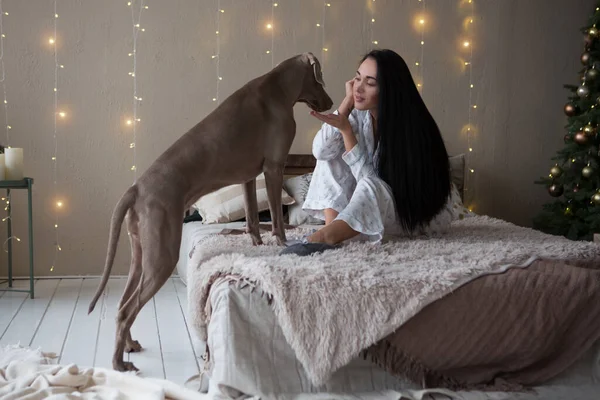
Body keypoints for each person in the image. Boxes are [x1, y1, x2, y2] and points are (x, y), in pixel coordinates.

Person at [281, 49, 453, 256]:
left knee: (370, 183)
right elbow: (321, 150)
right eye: (357, 78)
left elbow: (371, 185)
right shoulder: (359, 116)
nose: (358, 88)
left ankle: (325, 237)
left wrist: (347, 132)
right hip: (372, 208)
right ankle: (330, 232)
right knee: (330, 154)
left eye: (370, 83)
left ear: (390, 90)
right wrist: (345, 106)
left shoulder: (413, 128)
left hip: (410, 215)